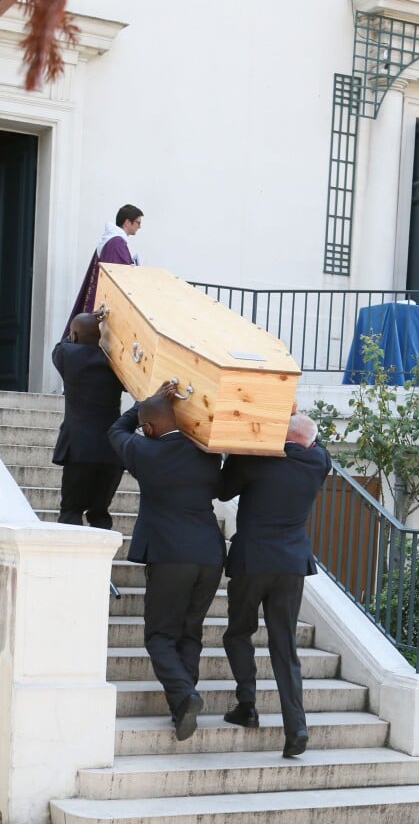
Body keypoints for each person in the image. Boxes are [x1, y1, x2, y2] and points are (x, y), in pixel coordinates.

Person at [108, 384, 225, 741]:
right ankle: (181, 711)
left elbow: (116, 430)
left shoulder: (145, 451)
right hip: (209, 554)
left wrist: (145, 402)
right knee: (190, 632)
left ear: (150, 427)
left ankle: (186, 695)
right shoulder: (207, 453)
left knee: (159, 636)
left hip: (170, 555)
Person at [218, 412, 331, 758]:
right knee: (285, 649)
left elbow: (222, 491)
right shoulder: (318, 463)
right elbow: (318, 445)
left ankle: (247, 704)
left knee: (238, 632)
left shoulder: (256, 460)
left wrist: (253, 436)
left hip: (252, 560)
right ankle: (296, 728)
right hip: (291, 565)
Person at [52, 312, 124, 529]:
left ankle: (69, 561)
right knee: (100, 513)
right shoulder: (116, 362)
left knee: (71, 512)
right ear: (99, 335)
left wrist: (85, 325)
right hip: (111, 451)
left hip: (79, 449)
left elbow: (60, 346)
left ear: (74, 335)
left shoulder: (67, 354)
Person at [63, 204, 144, 337]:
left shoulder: (113, 240)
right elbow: (118, 274)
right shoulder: (116, 243)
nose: (139, 227)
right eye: (137, 223)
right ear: (128, 222)